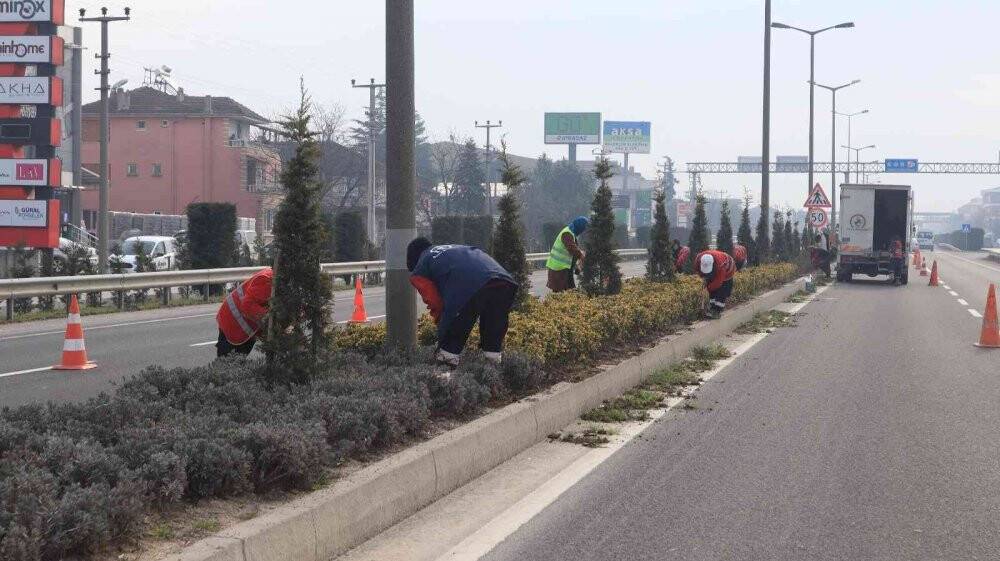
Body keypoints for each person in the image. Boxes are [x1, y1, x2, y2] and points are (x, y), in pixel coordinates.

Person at [408, 238, 517, 367]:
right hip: (503, 281)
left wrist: (443, 329)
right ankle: (493, 376)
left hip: (470, 286)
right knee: (492, 336)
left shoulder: (420, 266)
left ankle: (446, 378)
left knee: (450, 346)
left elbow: (436, 303)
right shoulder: (451, 247)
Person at [216, 266, 272, 357]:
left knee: (238, 361)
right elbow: (248, 305)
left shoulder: (284, 284)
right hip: (232, 322)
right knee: (229, 364)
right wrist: (270, 318)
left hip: (245, 326)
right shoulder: (268, 280)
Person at [546, 216, 588, 293]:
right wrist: (582, 256)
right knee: (561, 293)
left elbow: (572, 253)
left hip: (564, 269)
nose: (582, 232)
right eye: (583, 229)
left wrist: (576, 266)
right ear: (579, 227)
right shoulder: (567, 234)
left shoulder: (571, 233)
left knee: (569, 291)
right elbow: (572, 249)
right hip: (558, 269)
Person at [695, 249, 736, 319]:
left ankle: (717, 310)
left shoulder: (721, 264)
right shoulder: (698, 259)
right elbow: (698, 270)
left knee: (722, 290)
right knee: (712, 289)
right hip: (716, 268)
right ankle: (712, 307)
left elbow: (718, 283)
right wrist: (703, 277)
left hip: (728, 269)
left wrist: (708, 287)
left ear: (713, 263)